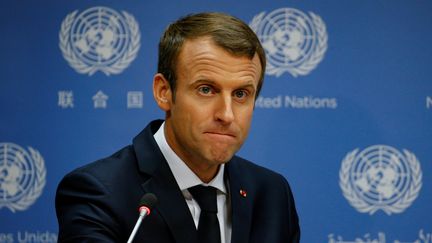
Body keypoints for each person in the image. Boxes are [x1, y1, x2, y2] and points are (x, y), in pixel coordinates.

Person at [55, 12, 300, 243]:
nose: (226, 115)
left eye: (241, 94)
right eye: (206, 89)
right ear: (164, 92)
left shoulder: (272, 193)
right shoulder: (98, 192)